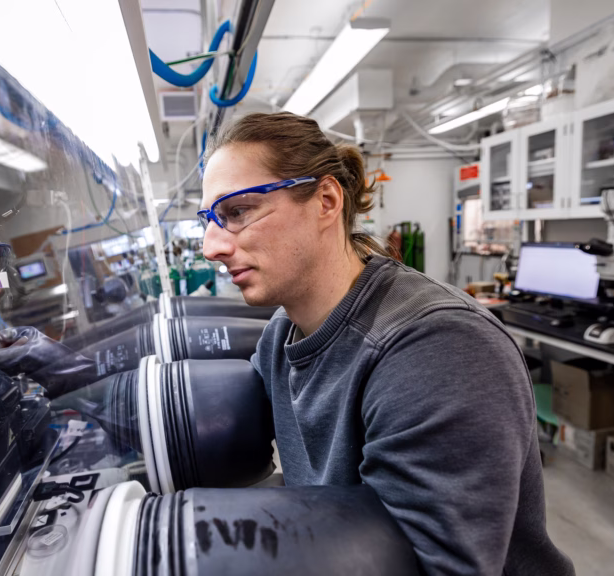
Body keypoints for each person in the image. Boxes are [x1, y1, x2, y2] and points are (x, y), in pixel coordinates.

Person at [198, 112, 574, 576]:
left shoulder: (437, 349)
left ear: (326, 200)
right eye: (209, 219)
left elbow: (431, 569)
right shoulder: (282, 333)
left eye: (237, 212)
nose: (210, 246)